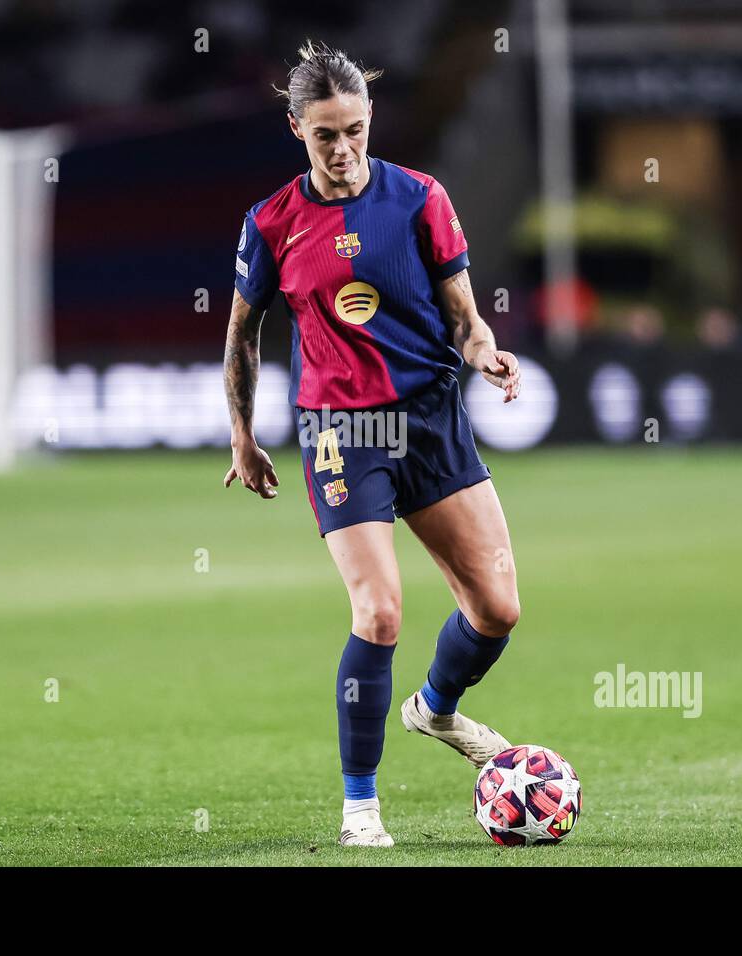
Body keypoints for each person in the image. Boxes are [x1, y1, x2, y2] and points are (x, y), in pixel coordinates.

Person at [222, 40, 523, 847]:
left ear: (370, 120)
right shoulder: (272, 223)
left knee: (497, 609)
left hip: (430, 415)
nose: (344, 148)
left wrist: (486, 353)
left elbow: (463, 319)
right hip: (341, 432)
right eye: (326, 135)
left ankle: (435, 708)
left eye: (354, 129)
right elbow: (244, 338)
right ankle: (361, 808)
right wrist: (244, 435)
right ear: (297, 130)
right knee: (380, 611)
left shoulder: (421, 198)